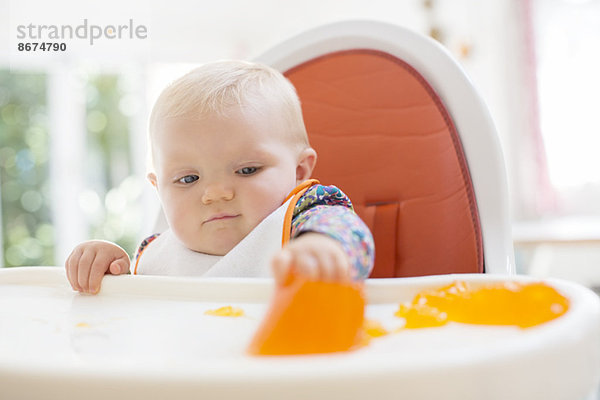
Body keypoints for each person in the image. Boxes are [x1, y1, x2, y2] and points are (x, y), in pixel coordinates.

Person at [65, 60, 374, 294]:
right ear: (158, 189)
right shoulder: (157, 253)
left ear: (299, 171)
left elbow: (348, 232)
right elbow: (137, 320)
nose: (214, 193)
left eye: (247, 170)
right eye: (188, 179)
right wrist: (112, 274)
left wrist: (324, 248)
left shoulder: (304, 218)